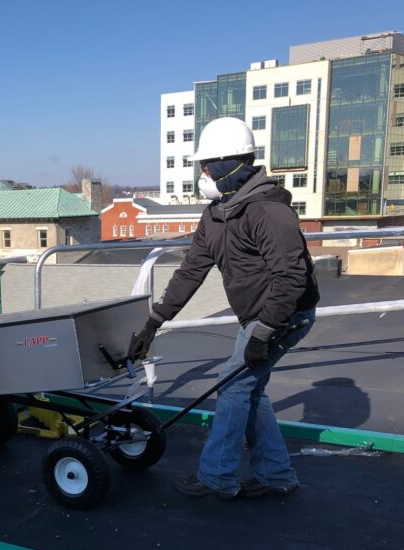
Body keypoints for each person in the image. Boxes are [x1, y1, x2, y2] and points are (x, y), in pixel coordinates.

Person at [129, 116, 319, 499]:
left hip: (285, 314)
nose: (202, 173)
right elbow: (191, 271)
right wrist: (154, 322)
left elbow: (291, 278)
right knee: (250, 390)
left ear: (231, 164)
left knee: (233, 389)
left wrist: (263, 333)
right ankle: (276, 475)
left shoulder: (267, 210)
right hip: (257, 316)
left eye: (206, 165)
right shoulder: (215, 214)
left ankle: (217, 477)